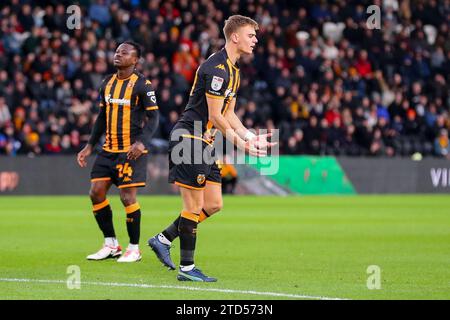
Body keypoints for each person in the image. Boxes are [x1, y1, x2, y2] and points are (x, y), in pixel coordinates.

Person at [147, 15, 275, 282]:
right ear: (235, 37)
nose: (255, 40)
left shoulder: (234, 71)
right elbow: (216, 116)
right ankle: (187, 268)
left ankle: (163, 239)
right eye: (251, 35)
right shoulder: (216, 68)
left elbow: (229, 113)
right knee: (192, 206)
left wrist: (250, 136)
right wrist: (241, 145)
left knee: (214, 204)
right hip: (189, 138)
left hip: (204, 142)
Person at [77, 41, 159, 262]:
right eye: (116, 52)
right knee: (95, 193)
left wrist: (142, 142)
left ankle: (134, 248)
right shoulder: (107, 83)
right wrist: (88, 146)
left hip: (131, 151)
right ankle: (111, 243)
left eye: (124, 53)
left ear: (135, 60)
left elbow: (154, 118)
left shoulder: (143, 85)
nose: (118, 55)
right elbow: (101, 118)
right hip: (107, 150)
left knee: (126, 197)